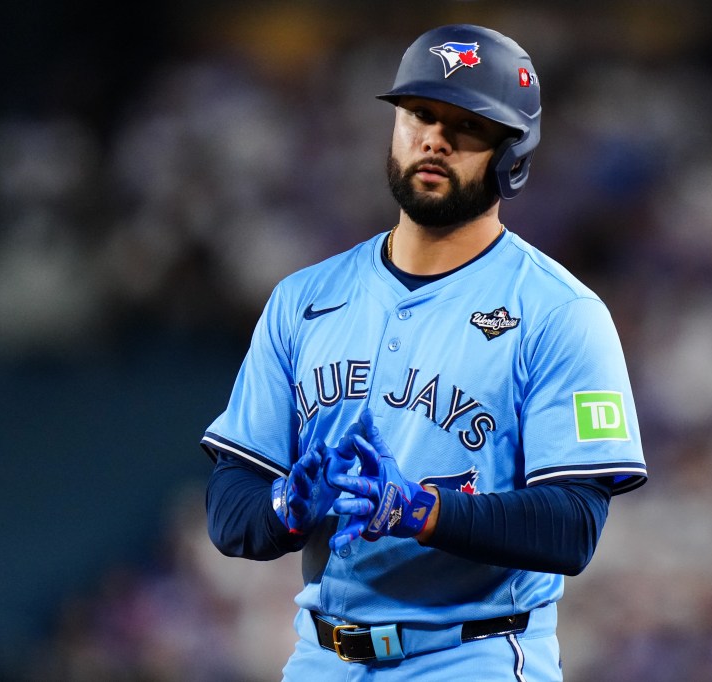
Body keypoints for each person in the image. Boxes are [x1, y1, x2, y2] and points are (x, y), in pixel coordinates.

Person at [201, 23, 647, 681]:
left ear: (511, 154)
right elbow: (231, 501)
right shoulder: (303, 300)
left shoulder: (561, 313)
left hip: (473, 656)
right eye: (419, 115)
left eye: (466, 125)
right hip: (322, 659)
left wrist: (417, 510)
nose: (434, 138)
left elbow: (572, 525)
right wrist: (288, 506)